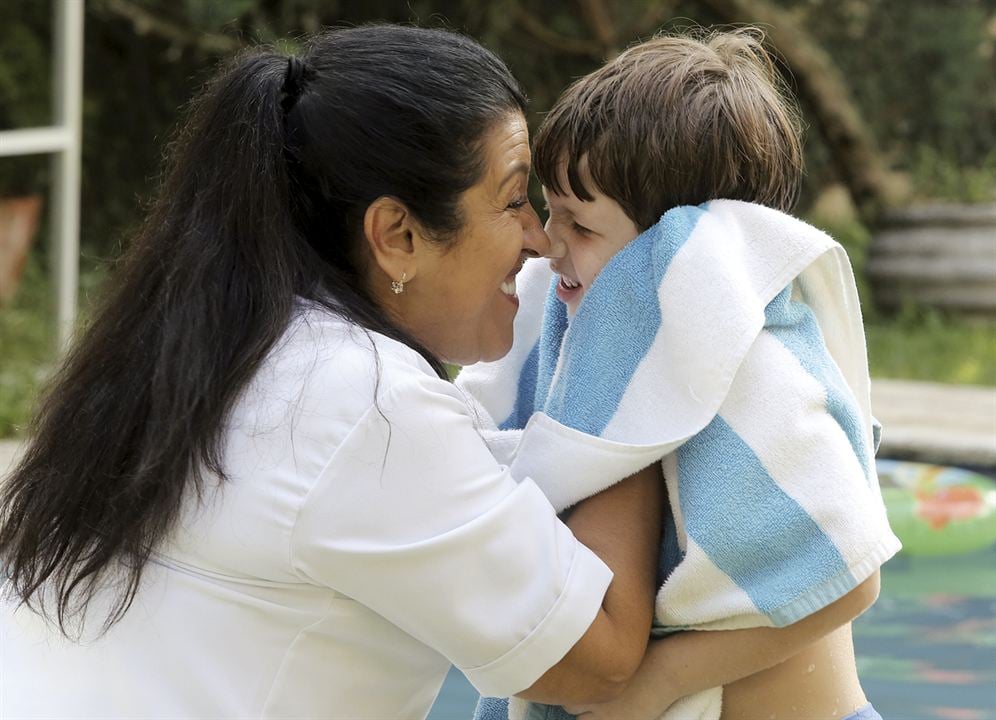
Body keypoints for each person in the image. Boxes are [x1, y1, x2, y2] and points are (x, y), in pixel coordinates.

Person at [0, 25, 664, 719]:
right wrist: (634, 338)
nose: (539, 237)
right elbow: (600, 656)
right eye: (511, 199)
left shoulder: (214, 345)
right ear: (397, 237)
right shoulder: (367, 407)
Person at [461, 28, 900, 720]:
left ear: (683, 250)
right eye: (551, 211)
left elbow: (850, 573)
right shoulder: (602, 357)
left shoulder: (747, 359)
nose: (547, 243)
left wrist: (660, 681)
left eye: (580, 224)